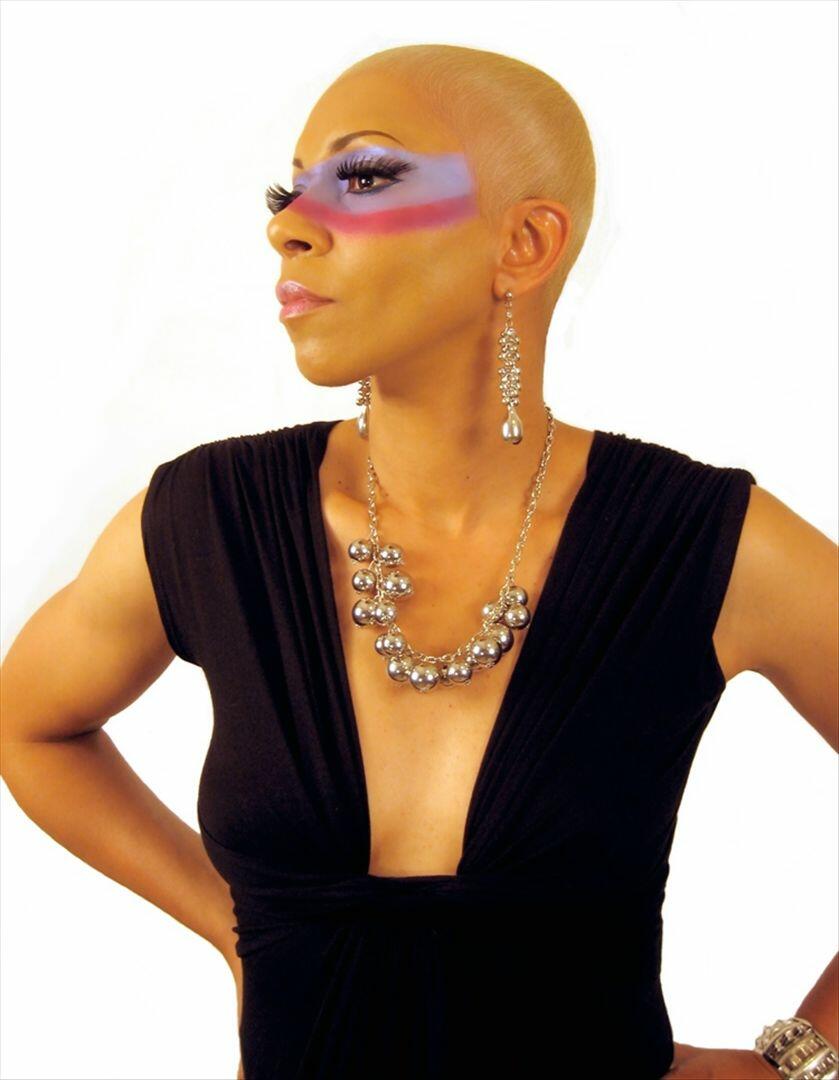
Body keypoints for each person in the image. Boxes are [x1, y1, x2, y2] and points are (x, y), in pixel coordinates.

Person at [1, 43, 837, 1080]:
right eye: (287, 191)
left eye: (362, 177)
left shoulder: (703, 541)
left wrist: (800, 1058)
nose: (286, 226)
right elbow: (29, 725)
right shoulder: (207, 522)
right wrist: (233, 927)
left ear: (523, 244)